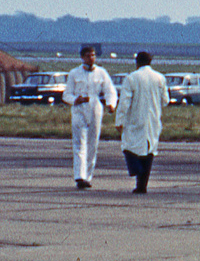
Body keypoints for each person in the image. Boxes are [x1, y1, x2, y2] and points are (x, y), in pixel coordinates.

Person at [61, 45, 117, 189]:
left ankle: (87, 176)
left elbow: (110, 91)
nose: (91, 58)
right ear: (82, 57)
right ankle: (79, 176)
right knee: (79, 143)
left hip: (95, 108)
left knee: (92, 143)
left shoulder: (101, 72)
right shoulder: (74, 73)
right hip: (79, 109)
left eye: (93, 55)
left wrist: (111, 104)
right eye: (88, 55)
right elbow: (66, 95)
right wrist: (75, 100)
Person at [116, 51, 168, 194]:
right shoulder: (160, 78)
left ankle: (136, 171)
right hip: (153, 118)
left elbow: (124, 102)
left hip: (135, 118)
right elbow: (165, 100)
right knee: (149, 150)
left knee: (129, 147)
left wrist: (119, 120)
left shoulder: (131, 78)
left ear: (137, 62)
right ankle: (142, 184)